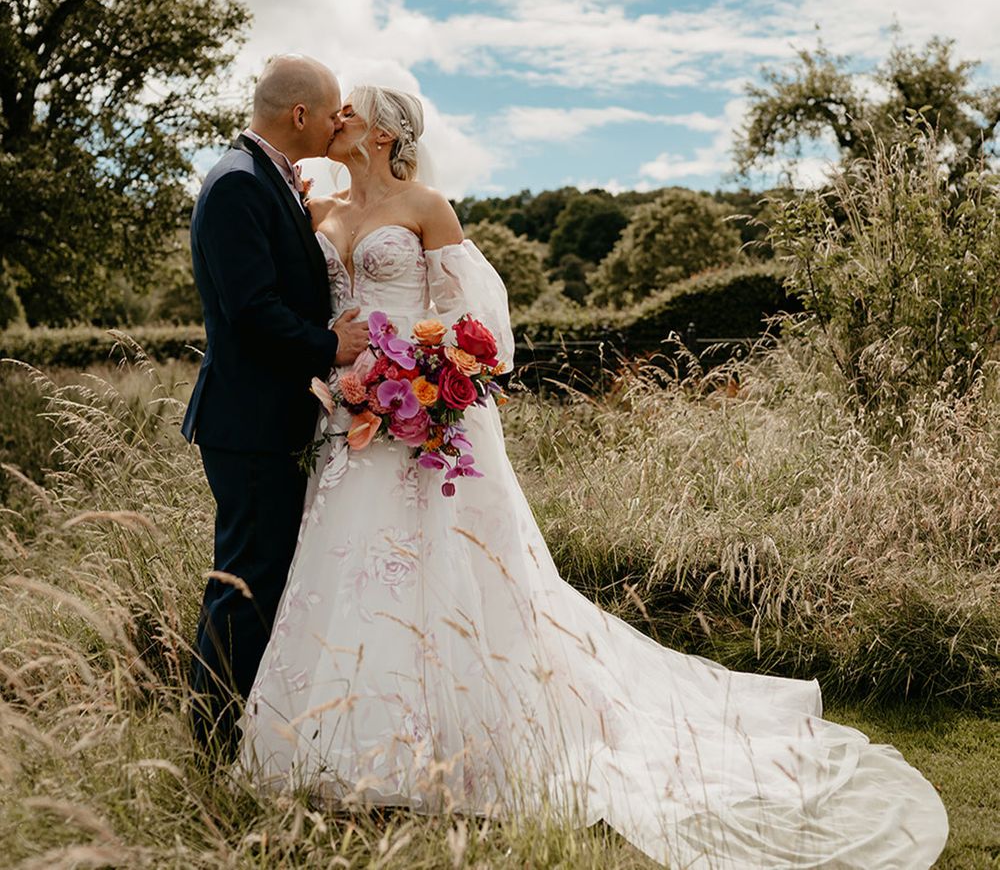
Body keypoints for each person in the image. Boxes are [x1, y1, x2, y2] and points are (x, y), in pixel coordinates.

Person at [238, 85, 949, 868]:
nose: (334, 118)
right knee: (350, 573)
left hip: (433, 415)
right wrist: (349, 377)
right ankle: (341, 747)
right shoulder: (319, 214)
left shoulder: (426, 204)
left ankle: (468, 746)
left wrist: (438, 381)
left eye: (348, 112)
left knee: (453, 571)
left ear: (379, 132)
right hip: (354, 423)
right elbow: (306, 313)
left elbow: (480, 322)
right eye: (330, 110)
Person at [182, 55, 370, 760]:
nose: (337, 123)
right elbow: (251, 309)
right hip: (247, 422)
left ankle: (236, 728)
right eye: (330, 114)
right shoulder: (237, 184)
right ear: (300, 116)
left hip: (261, 418)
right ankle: (211, 741)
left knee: (256, 574)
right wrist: (331, 344)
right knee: (245, 582)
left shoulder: (260, 179)